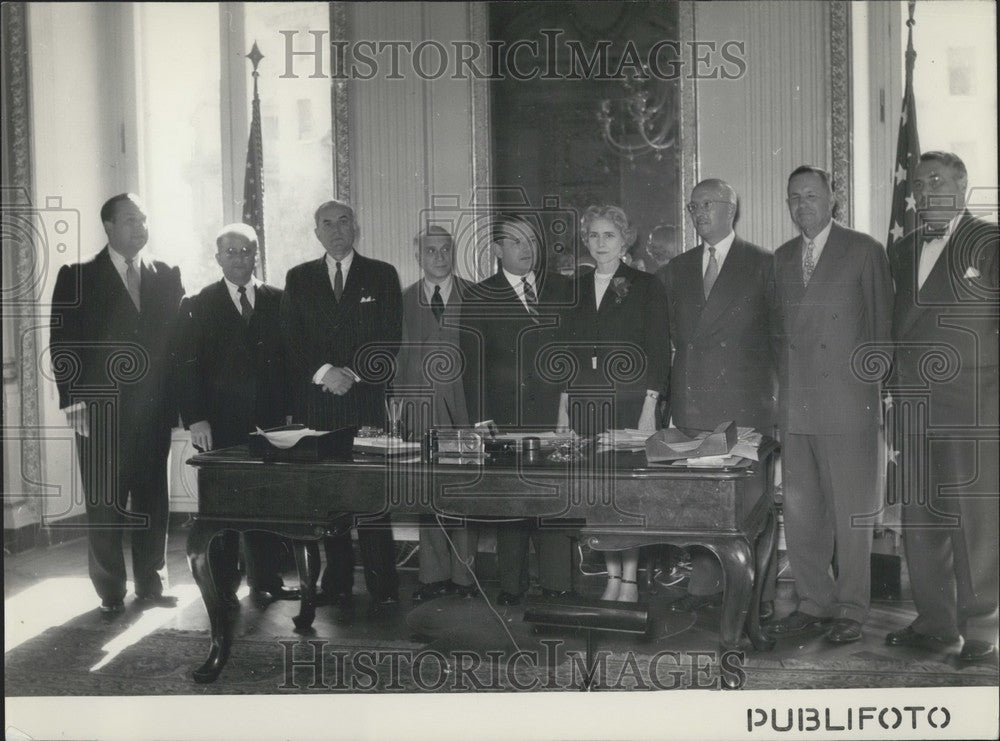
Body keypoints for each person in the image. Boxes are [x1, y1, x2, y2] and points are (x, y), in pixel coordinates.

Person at [767, 166, 893, 645]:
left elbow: (881, 331)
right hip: (797, 405)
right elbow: (777, 335)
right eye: (794, 197)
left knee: (851, 515)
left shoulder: (863, 250)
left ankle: (851, 609)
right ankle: (813, 602)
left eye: (811, 195)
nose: (802, 205)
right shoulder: (781, 257)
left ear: (832, 199)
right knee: (802, 515)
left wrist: (869, 397)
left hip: (848, 405)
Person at [884, 151, 999, 663]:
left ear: (962, 184)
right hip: (913, 402)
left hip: (974, 404)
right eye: (920, 183)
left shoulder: (989, 241)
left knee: (975, 522)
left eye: (937, 180)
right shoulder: (904, 247)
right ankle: (934, 621)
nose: (926, 191)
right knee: (922, 518)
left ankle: (982, 629)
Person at [49, 193, 184, 619]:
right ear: (108, 226)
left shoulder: (166, 274)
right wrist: (73, 402)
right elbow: (63, 343)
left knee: (152, 500)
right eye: (130, 220)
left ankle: (151, 583)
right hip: (99, 411)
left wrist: (180, 404)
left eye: (143, 219)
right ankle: (109, 589)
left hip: (153, 410)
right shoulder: (77, 276)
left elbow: (178, 344)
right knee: (105, 502)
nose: (140, 227)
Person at [658, 179, 777, 616]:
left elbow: (780, 339)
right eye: (693, 207)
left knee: (750, 509)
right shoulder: (676, 269)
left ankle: (758, 598)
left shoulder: (764, 264)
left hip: (746, 402)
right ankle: (704, 590)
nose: (699, 213)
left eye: (707, 204)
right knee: (701, 505)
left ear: (732, 208)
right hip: (693, 403)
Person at [279, 199, 402, 614]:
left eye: (343, 221)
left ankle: (384, 586)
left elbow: (389, 339)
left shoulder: (382, 275)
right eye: (327, 224)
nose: (336, 230)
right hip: (319, 404)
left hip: (365, 402)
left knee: (372, 496)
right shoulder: (298, 278)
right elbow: (291, 339)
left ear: (355, 227)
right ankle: (337, 584)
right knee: (329, 496)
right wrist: (325, 373)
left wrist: (352, 373)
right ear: (317, 233)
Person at [174, 223, 295, 606]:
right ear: (218, 258)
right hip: (218, 424)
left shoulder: (279, 299)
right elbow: (186, 366)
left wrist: (291, 414)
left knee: (267, 502)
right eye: (231, 252)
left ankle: (266, 579)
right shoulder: (198, 303)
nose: (239, 259)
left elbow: (290, 361)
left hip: (270, 422)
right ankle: (223, 585)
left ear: (256, 254)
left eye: (246, 251)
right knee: (222, 506)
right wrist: (196, 417)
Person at [461, 214, 575, 606]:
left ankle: (558, 583)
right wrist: (481, 419)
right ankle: (512, 585)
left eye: (530, 241)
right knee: (512, 500)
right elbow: (472, 362)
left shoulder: (561, 288)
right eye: (515, 242)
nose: (526, 249)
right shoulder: (479, 295)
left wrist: (569, 407)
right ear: (497, 250)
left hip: (555, 413)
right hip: (504, 416)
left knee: (555, 496)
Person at [557, 205, 669, 602]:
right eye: (593, 235)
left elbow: (658, 351)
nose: (600, 243)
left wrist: (649, 407)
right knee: (599, 494)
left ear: (625, 241)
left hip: (630, 401)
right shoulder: (575, 289)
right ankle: (611, 576)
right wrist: (563, 408)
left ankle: (630, 579)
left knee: (626, 493)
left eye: (609, 235)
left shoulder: (646, 285)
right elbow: (567, 354)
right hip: (587, 403)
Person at [394, 226, 479, 601]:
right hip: (421, 409)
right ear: (419, 256)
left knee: (464, 490)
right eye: (431, 251)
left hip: (465, 407)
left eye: (445, 249)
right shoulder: (403, 300)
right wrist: (399, 412)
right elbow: (398, 359)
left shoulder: (475, 295)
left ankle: (465, 577)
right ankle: (432, 575)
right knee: (428, 491)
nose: (440, 257)